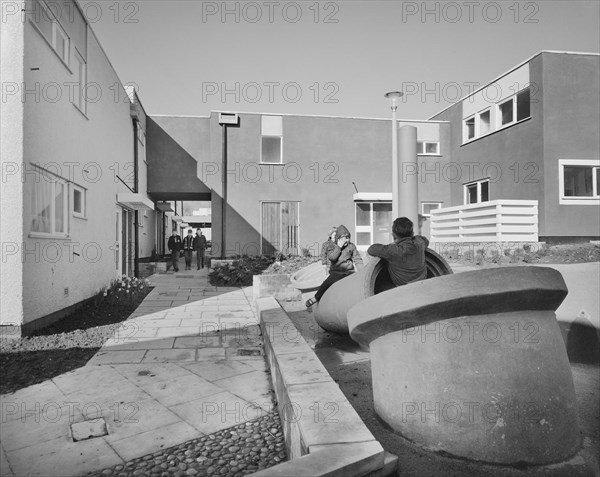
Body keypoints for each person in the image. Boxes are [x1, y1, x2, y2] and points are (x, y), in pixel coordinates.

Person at [306, 225, 363, 308]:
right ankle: (316, 298)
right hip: (337, 272)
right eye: (344, 238)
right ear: (338, 238)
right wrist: (339, 247)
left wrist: (361, 272)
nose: (346, 240)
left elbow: (357, 259)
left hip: (349, 272)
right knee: (326, 283)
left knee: (356, 285)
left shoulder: (351, 246)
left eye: (348, 237)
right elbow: (332, 258)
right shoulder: (333, 246)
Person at [367, 217, 429, 287]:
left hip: (402, 288)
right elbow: (426, 240)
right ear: (412, 233)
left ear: (394, 235)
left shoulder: (393, 250)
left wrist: (392, 244)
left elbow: (371, 249)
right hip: (422, 284)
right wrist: (413, 237)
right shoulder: (420, 243)